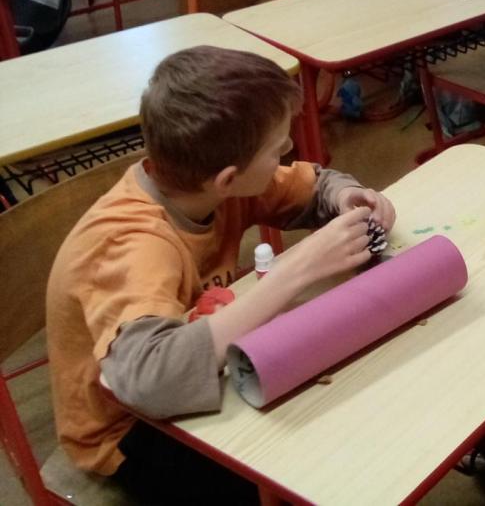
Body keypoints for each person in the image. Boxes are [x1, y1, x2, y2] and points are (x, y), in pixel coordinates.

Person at [46, 46, 396, 505]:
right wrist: (295, 271)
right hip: (127, 431)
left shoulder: (215, 186)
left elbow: (315, 184)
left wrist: (346, 196)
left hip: (205, 363)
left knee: (348, 398)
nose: (288, 150)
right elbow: (150, 382)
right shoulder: (131, 244)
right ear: (228, 179)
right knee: (303, 474)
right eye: (277, 147)